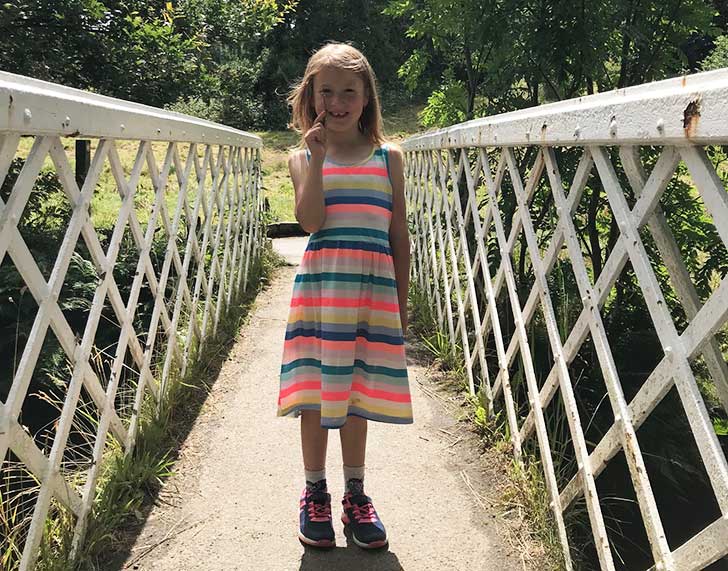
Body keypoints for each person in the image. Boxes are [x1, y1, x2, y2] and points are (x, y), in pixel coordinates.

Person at [277, 42, 413, 550]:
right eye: (326, 91)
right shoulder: (300, 157)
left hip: (372, 295)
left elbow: (399, 235)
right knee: (315, 397)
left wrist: (401, 303)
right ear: (310, 96)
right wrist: (314, 159)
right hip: (322, 293)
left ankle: (356, 492)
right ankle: (315, 491)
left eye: (347, 92)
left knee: (357, 396)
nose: (336, 102)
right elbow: (310, 221)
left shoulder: (389, 157)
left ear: (366, 97)